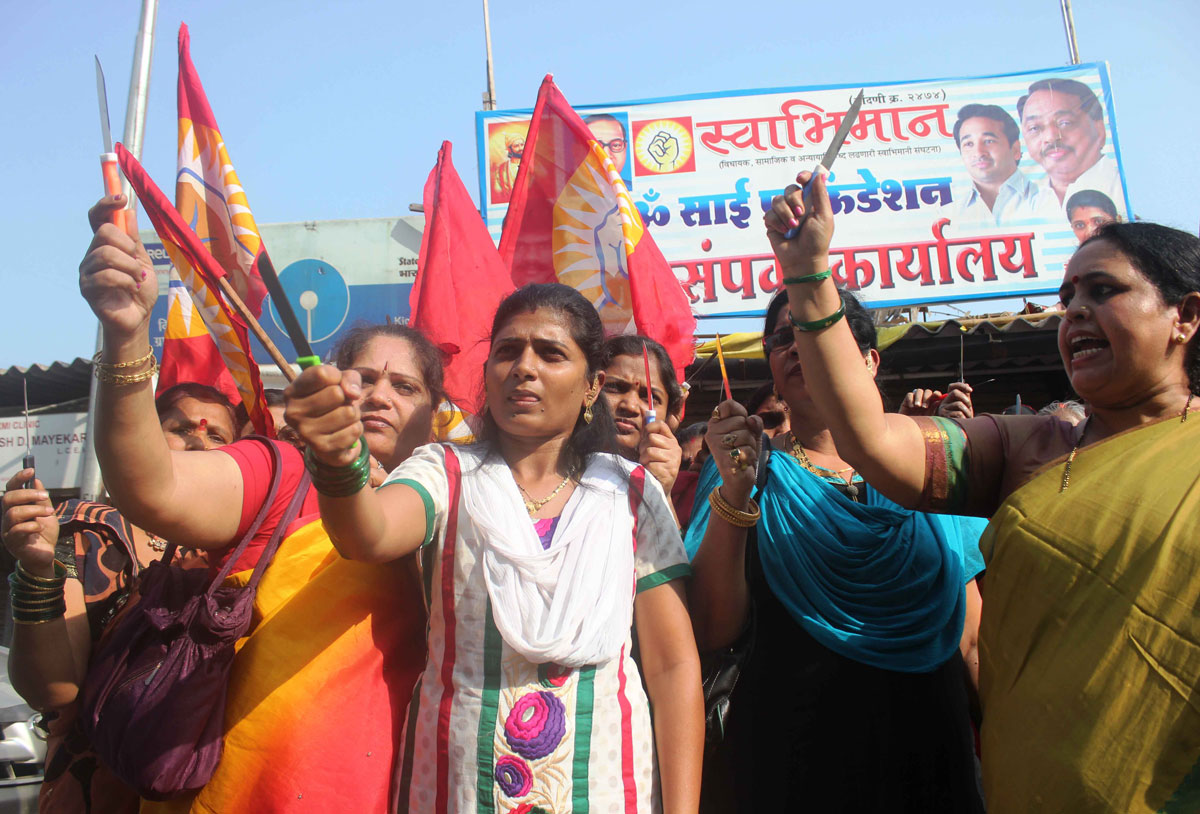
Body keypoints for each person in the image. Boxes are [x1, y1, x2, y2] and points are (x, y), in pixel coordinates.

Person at [764, 169, 1200, 812]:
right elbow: (868, 437)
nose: (1074, 310)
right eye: (1067, 295)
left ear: (1186, 316)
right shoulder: (1028, 446)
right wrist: (808, 274)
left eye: (1104, 290)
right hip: (1027, 786)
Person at [72, 193, 436, 812]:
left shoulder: (455, 505)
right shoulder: (283, 472)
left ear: (433, 416)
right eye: (364, 377)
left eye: (405, 386)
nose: (380, 395)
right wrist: (127, 333)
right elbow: (150, 486)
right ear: (330, 382)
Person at [286, 282, 703, 813]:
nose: (523, 367)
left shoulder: (633, 491)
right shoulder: (444, 472)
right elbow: (366, 535)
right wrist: (339, 462)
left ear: (593, 386)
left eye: (550, 353)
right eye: (507, 351)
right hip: (456, 787)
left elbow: (672, 667)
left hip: (607, 788)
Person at [686, 286, 986, 813]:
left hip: (929, 747)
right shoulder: (743, 466)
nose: (800, 343)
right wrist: (736, 493)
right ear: (773, 367)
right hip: (790, 755)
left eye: (819, 327)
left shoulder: (932, 463)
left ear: (869, 361)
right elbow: (713, 628)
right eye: (783, 337)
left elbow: (971, 641)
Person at [0, 384, 237, 814]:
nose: (199, 441)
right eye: (180, 427)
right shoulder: (90, 532)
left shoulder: (249, 547)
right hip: (101, 792)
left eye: (218, 436)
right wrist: (37, 570)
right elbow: (51, 690)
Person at [1017, 78, 1125, 219]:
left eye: (1065, 123)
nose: (1050, 137)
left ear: (1099, 129)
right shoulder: (1024, 205)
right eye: (1034, 128)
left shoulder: (1124, 192)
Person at [601, 334, 686, 498]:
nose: (631, 406)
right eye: (615, 388)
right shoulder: (556, 468)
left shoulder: (662, 481)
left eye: (651, 397)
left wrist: (661, 490)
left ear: (671, 412)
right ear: (590, 387)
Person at [941, 103, 1038, 227]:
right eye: (969, 144)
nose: (979, 153)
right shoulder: (949, 215)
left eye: (989, 141)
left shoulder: (1048, 198)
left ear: (1015, 150)